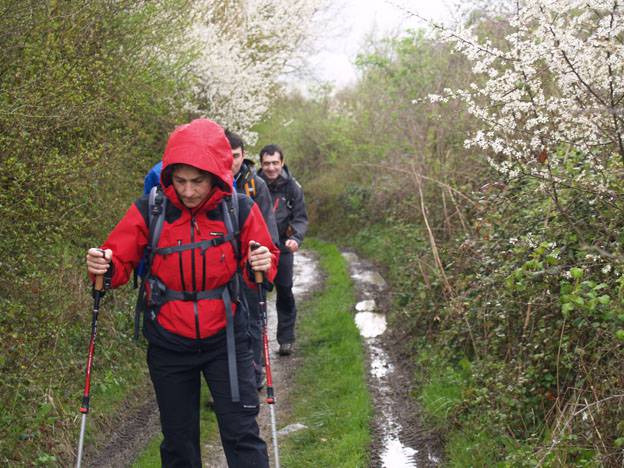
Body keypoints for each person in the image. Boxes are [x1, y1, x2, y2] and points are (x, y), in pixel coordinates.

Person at [86, 118, 279, 467]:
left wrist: (261, 262)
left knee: (242, 436)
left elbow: (262, 271)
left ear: (217, 177)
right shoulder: (151, 209)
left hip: (226, 339)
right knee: (178, 443)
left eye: (198, 182)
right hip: (169, 342)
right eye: (180, 181)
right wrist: (104, 265)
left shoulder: (238, 209)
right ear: (169, 175)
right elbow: (118, 260)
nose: (188, 191)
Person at [226, 130, 279, 390]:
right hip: (223, 269)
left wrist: (264, 263)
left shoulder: (256, 186)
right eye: (227, 155)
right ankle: (229, 381)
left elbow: (269, 229)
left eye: (235, 155)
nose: (231, 161)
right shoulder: (209, 184)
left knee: (254, 321)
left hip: (249, 267)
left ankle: (254, 376)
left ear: (243, 155)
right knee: (227, 324)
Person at [257, 144, 308, 356]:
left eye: (275, 163)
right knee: (256, 294)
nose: (271, 168)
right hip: (259, 248)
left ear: (282, 163)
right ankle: (256, 343)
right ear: (261, 164)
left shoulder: (293, 187)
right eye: (267, 163)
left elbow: (300, 218)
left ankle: (286, 338)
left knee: (284, 290)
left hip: (284, 246)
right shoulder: (252, 185)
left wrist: (296, 237)